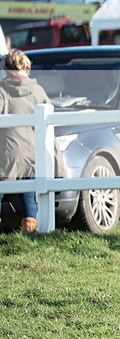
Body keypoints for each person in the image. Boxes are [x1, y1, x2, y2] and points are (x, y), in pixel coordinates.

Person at [0, 50, 49, 233]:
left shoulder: (2, 90)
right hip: (31, 152)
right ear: (26, 67)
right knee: (29, 194)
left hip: (6, 153)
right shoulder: (38, 91)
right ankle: (29, 234)